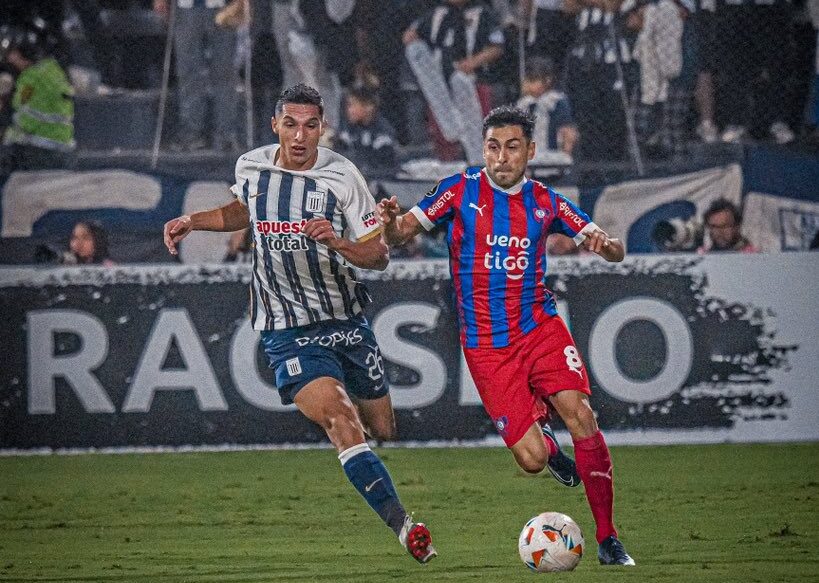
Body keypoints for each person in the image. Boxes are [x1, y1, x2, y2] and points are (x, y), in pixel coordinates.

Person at [161, 83, 437, 564]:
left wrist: (337, 243)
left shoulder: (343, 176)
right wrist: (193, 221)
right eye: (290, 124)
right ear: (275, 126)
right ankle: (404, 526)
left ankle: (359, 443)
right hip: (286, 329)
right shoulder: (252, 165)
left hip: (346, 321)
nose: (300, 135)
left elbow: (378, 255)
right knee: (340, 419)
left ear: (322, 127)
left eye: (310, 125)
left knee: (383, 428)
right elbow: (244, 209)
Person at [377, 105, 635, 566]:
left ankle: (608, 538)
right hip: (487, 348)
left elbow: (614, 248)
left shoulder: (546, 201)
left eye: (512, 147)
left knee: (582, 415)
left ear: (530, 151)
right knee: (532, 459)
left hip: (540, 328)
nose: (501, 157)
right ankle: (547, 443)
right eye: (493, 147)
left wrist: (605, 244)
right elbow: (400, 234)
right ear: (484, 149)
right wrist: (391, 222)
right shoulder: (458, 191)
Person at [0, 21, 75, 172]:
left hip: (39, 152)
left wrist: (5, 133)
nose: (9, 59)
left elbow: (24, 121)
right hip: (61, 151)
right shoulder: (52, 68)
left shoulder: (31, 78)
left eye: (11, 54)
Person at [516, 56, 578, 157]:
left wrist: (565, 155)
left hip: (553, 155)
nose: (527, 85)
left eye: (533, 81)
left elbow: (567, 130)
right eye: (527, 80)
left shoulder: (557, 101)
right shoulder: (524, 104)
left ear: (547, 80)